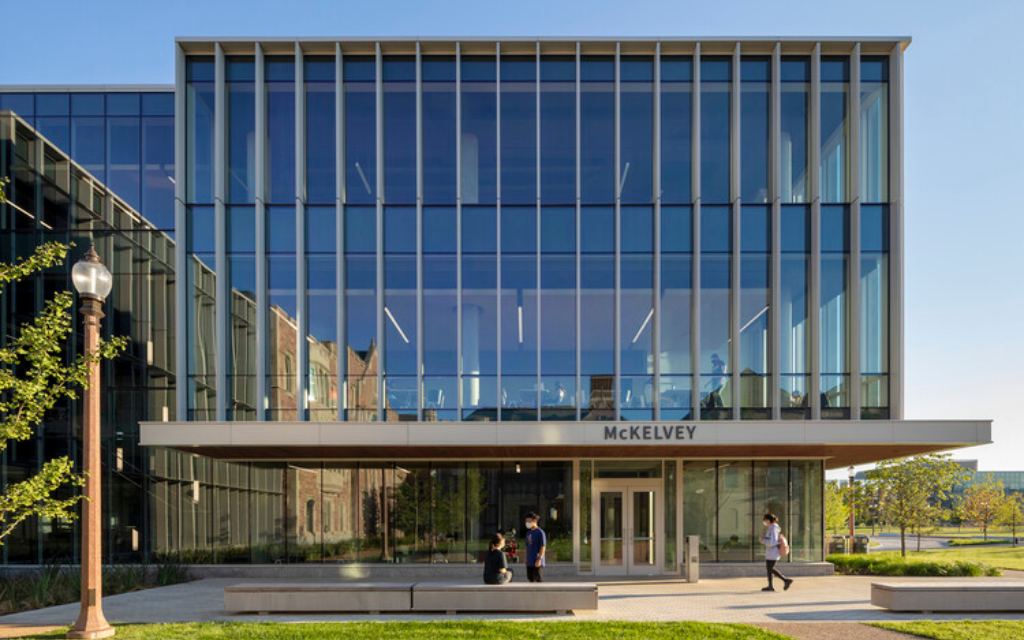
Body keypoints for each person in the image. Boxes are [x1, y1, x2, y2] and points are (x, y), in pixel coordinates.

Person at [758, 513, 793, 592]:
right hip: (770, 552)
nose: (764, 522)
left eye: (765, 520)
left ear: (768, 520)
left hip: (773, 552)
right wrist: (764, 539)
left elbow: (773, 541)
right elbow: (770, 539)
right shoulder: (771, 528)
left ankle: (785, 580)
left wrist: (764, 540)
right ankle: (770, 585)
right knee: (769, 568)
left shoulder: (773, 529)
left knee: (770, 568)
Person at [524, 512, 547, 583]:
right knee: (531, 579)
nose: (527, 523)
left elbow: (543, 546)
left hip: (537, 561)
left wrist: (539, 558)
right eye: (526, 521)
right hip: (529, 561)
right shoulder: (528, 533)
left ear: (535, 521)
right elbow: (527, 546)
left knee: (538, 579)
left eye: (529, 521)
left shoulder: (540, 532)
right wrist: (526, 558)